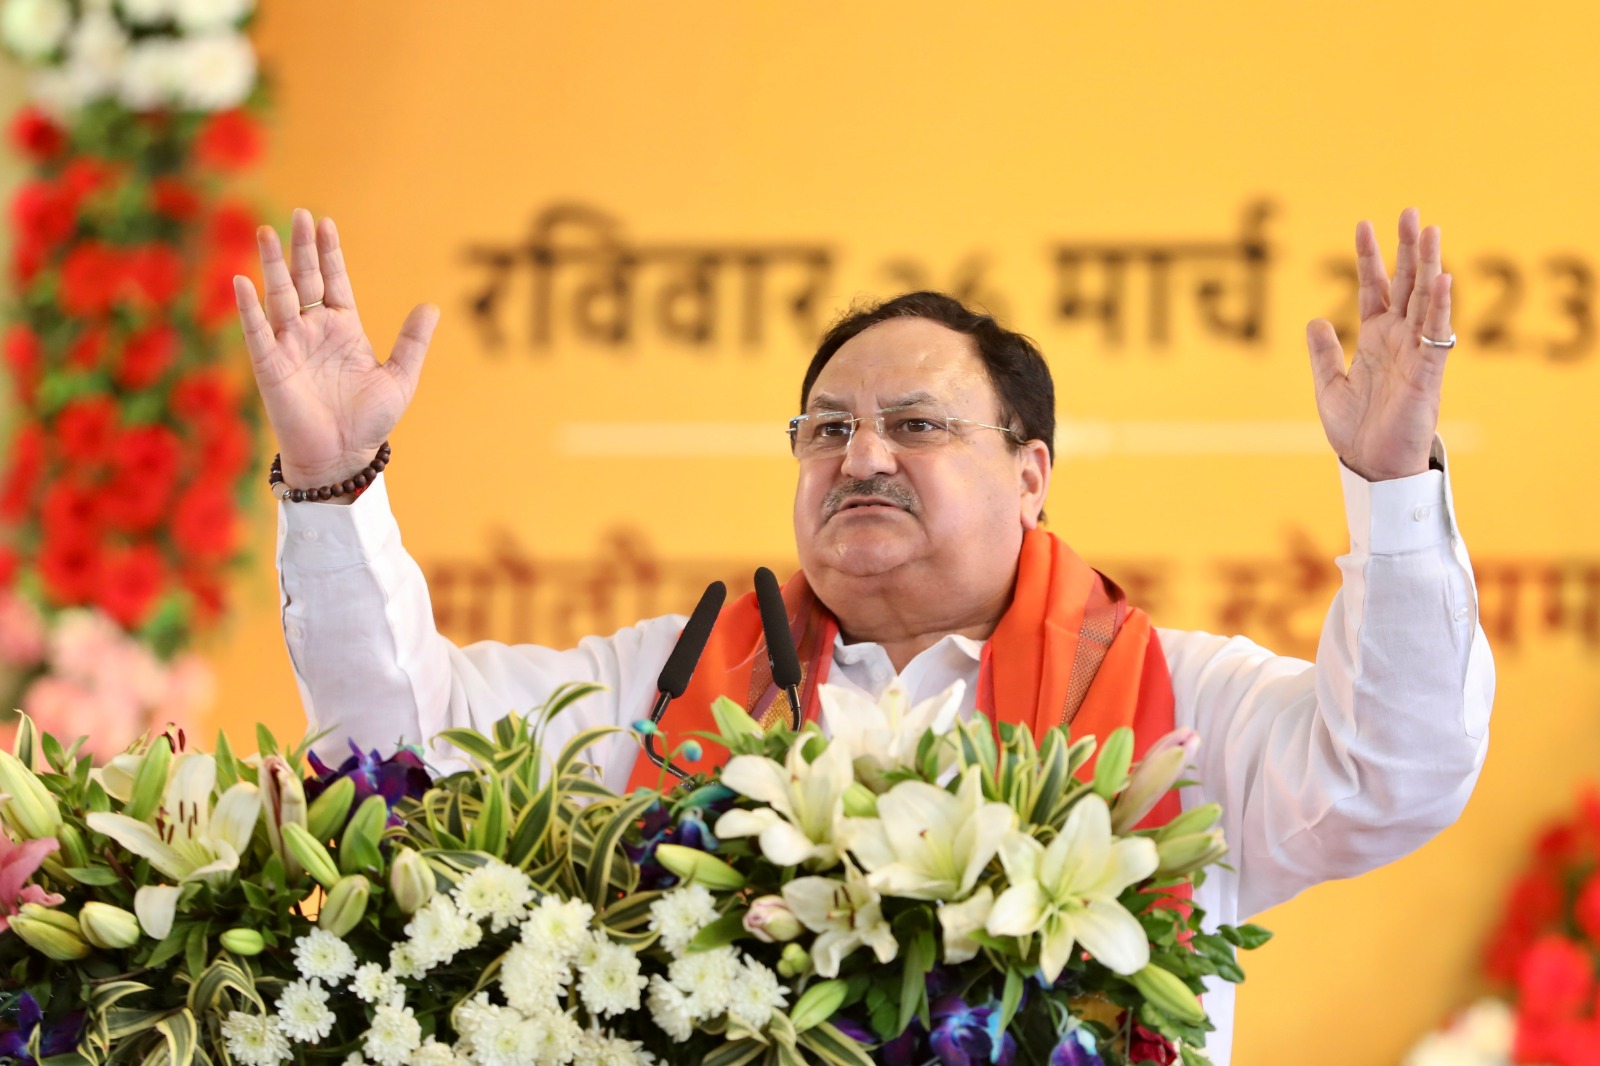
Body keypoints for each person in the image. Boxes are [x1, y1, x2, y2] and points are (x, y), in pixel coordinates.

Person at [234, 207, 1494, 1063]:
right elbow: (405, 755)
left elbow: (1392, 768)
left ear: (1032, 473)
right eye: (824, 429)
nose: (862, 456)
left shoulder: (1176, 700)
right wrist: (336, 481)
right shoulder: (672, 679)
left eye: (916, 424)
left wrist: (1392, 490)